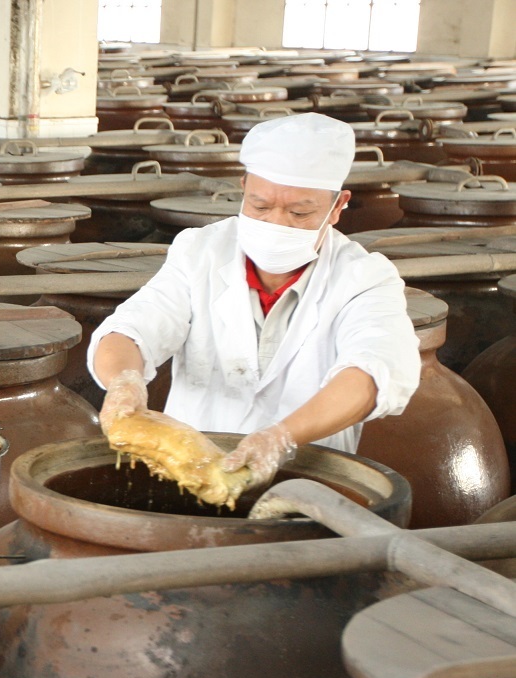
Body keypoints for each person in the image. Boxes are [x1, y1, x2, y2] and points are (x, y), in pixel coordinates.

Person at [88, 112, 420, 482]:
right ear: (243, 187)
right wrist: (124, 382)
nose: (275, 223)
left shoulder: (363, 277)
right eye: (259, 206)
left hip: (306, 476)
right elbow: (134, 327)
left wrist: (281, 437)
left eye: (300, 212)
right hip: (190, 471)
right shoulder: (201, 251)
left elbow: (374, 371)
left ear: (338, 206)